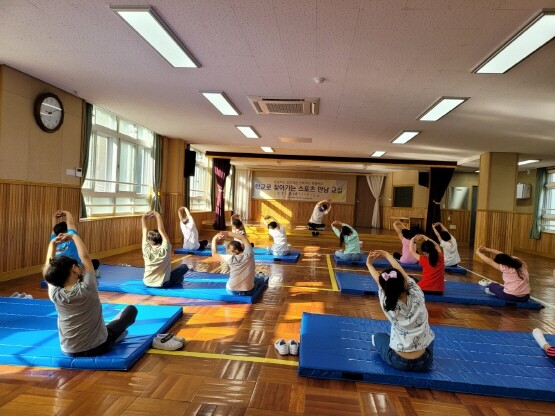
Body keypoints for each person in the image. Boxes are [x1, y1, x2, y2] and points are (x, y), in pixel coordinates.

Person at [43, 232, 137, 357]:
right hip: (98, 347)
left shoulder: (54, 293)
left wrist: (52, 245)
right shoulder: (88, 287)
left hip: (69, 350)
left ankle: (110, 333)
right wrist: (74, 236)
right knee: (131, 310)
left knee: (107, 325)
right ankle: (113, 336)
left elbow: (49, 268)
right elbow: (86, 258)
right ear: (75, 268)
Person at [365, 250, 435, 372]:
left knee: (378, 337)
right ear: (405, 283)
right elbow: (401, 272)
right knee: (429, 334)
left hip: (398, 361)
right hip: (425, 361)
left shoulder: (387, 303)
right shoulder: (417, 293)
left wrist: (369, 264)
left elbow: (380, 281)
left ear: (384, 289)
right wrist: (387, 255)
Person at [141, 211, 189, 288]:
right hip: (163, 284)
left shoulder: (145, 249)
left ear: (148, 241)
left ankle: (177, 279)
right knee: (184, 267)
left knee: (179, 277)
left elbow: (144, 230)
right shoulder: (165, 249)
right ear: (162, 240)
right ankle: (176, 280)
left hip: (147, 282)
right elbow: (161, 230)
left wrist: (143, 218)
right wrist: (157, 215)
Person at [211, 231, 265, 295]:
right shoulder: (249, 253)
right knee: (260, 278)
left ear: (231, 252)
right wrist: (227, 233)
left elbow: (214, 254)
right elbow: (243, 237)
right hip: (249, 291)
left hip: (232, 291)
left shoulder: (229, 258)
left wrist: (214, 238)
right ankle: (260, 276)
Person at [51, 210, 101, 277]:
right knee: (94, 262)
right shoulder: (71, 238)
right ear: (67, 231)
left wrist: (54, 216)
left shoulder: (54, 240)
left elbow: (54, 228)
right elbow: (70, 223)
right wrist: (66, 212)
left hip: (59, 271)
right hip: (76, 271)